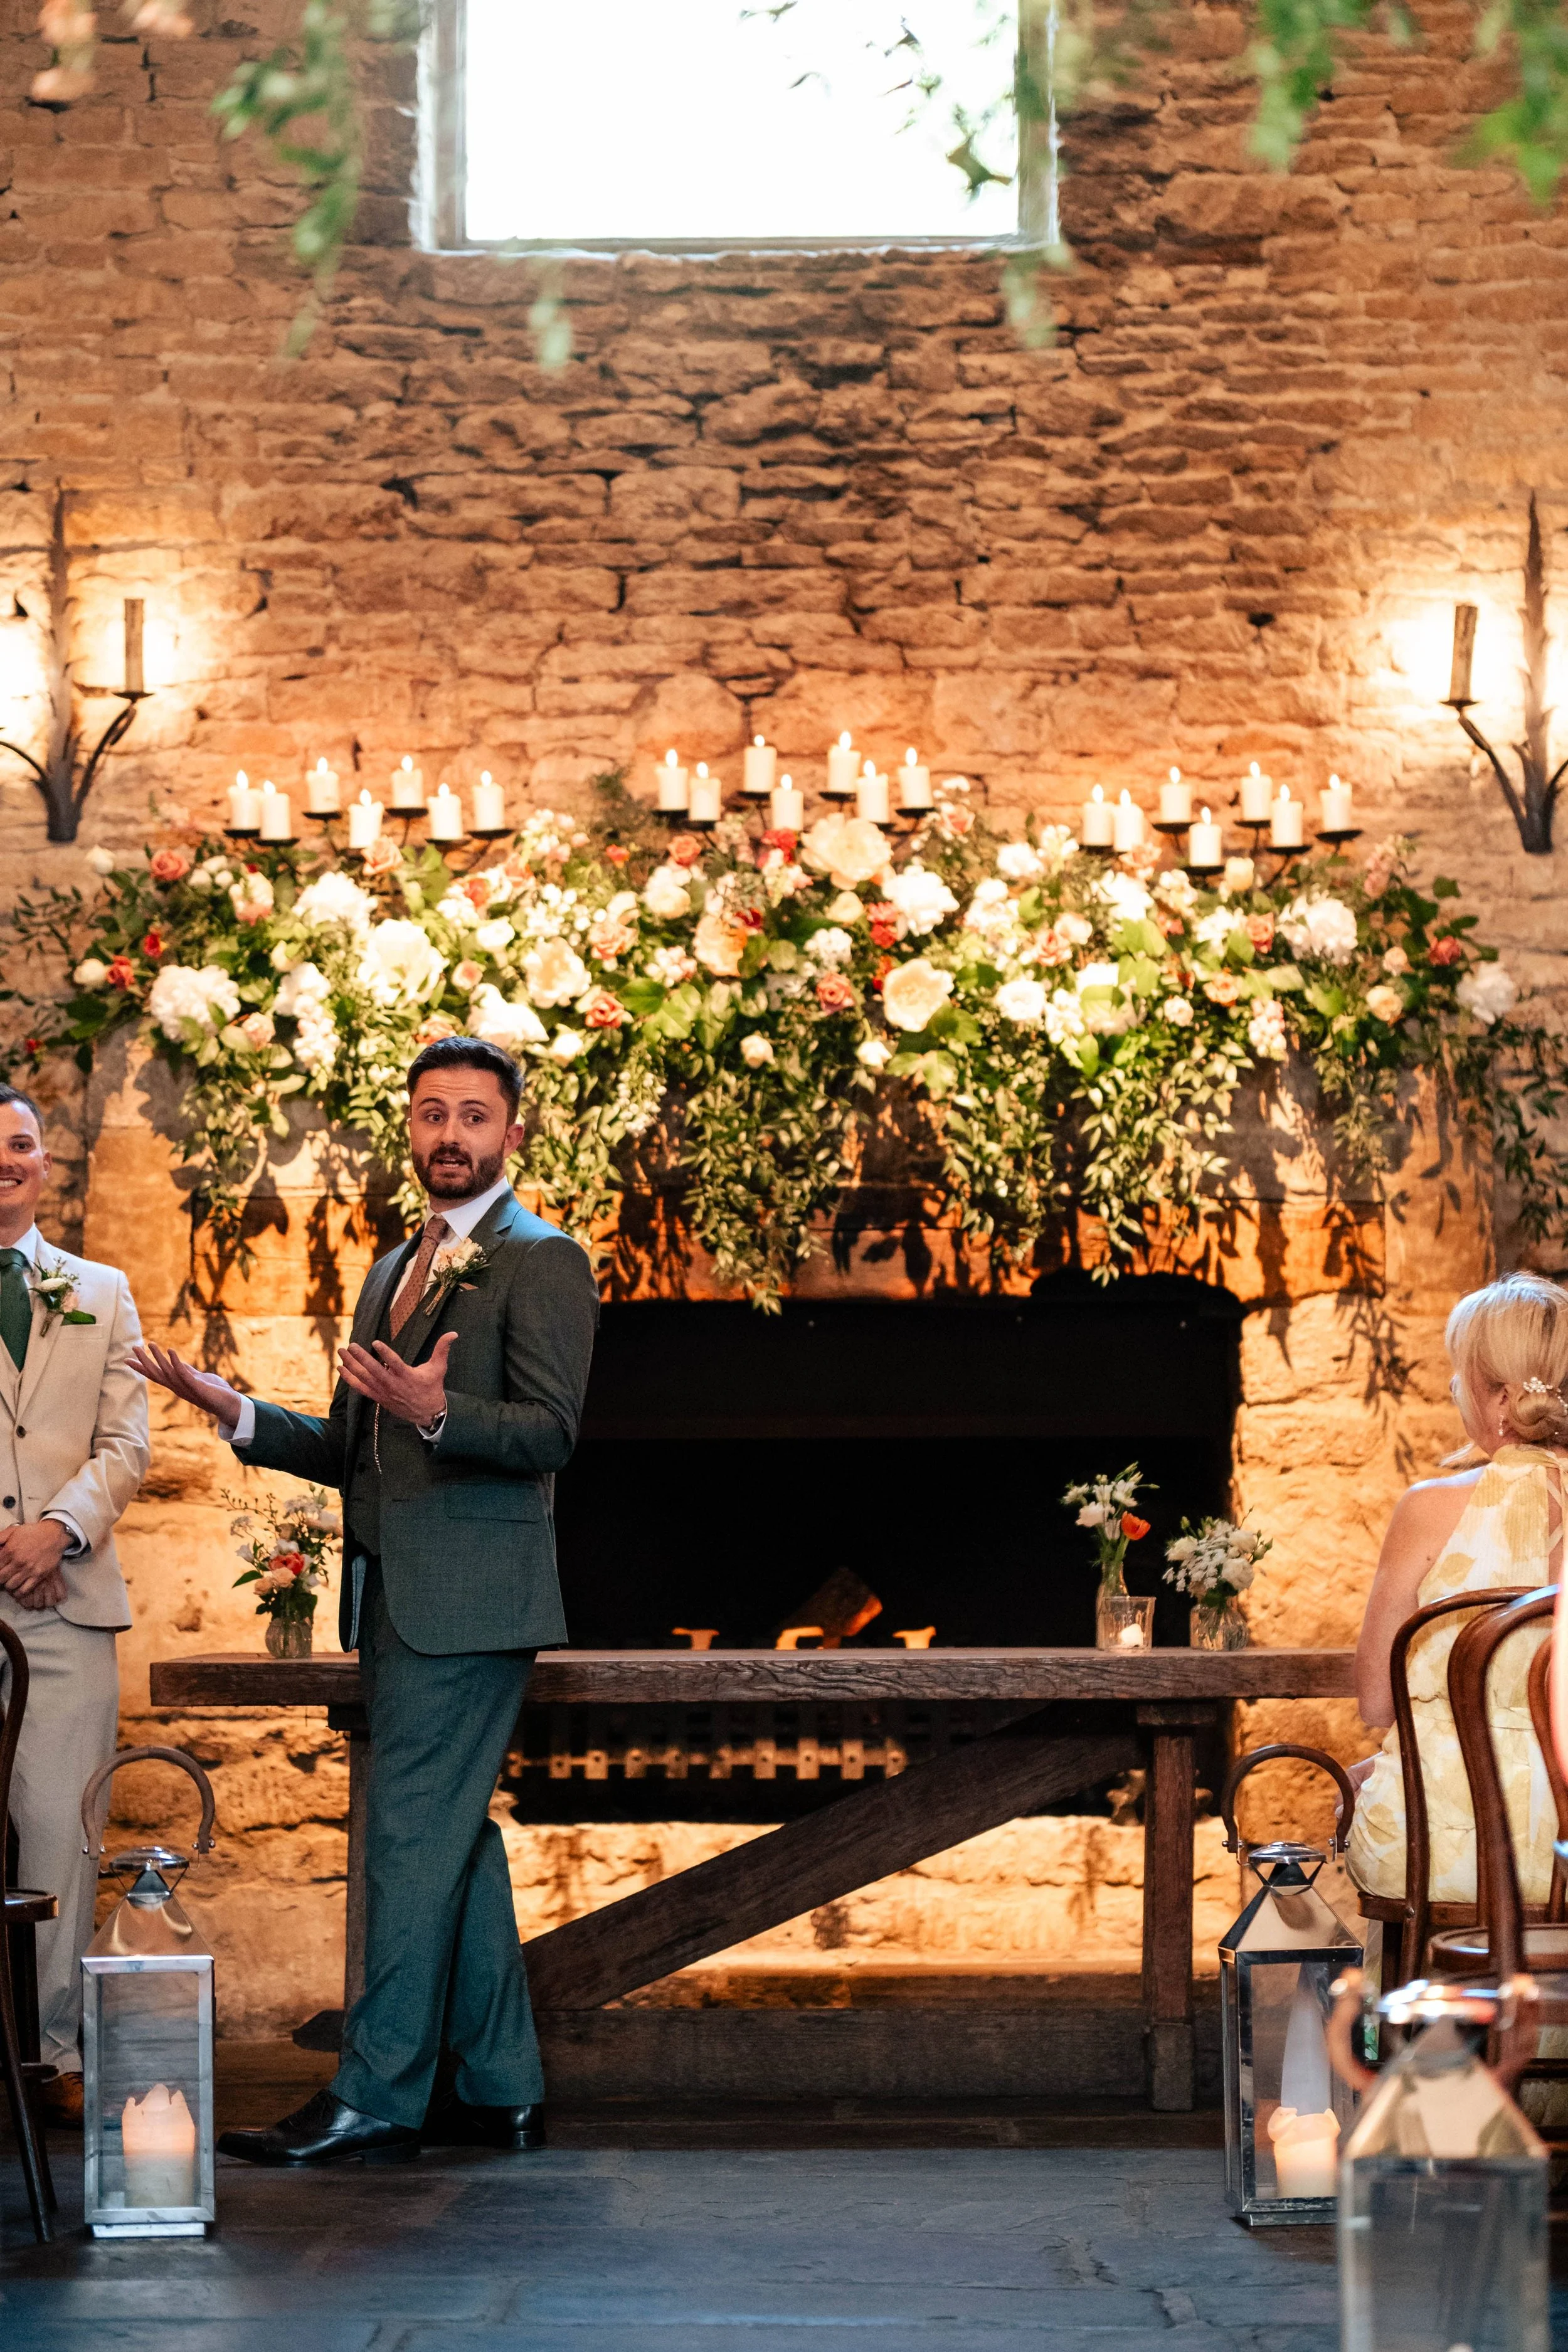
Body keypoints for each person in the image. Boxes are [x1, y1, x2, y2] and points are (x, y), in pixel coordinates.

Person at [131, 1037, 598, 2166]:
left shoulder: (543, 1258)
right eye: (432, 1113)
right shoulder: (396, 1266)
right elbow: (352, 1446)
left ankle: (379, 2099)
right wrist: (231, 1407)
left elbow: (552, 1433)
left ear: (512, 1133)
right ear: (411, 1126)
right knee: (452, 1843)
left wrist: (442, 1414)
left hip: (475, 1604)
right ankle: (502, 2087)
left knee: (404, 1839)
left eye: (475, 1117)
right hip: (394, 1599)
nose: (451, 1135)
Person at [0, 1080, 151, 2124]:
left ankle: (51, 2056)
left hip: (65, 1608)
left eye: (19, 1144)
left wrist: (56, 1532)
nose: (5, 1161)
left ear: (46, 1161)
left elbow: (129, 1443)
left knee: (61, 1840)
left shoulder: (102, 1288)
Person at [1346, 1272, 1568, 1911]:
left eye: (1459, 1375)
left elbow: (1375, 1700)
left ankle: (1411, 2006)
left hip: (1448, 1852)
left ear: (1499, 1400)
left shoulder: (1429, 1509)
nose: (1451, 1389)